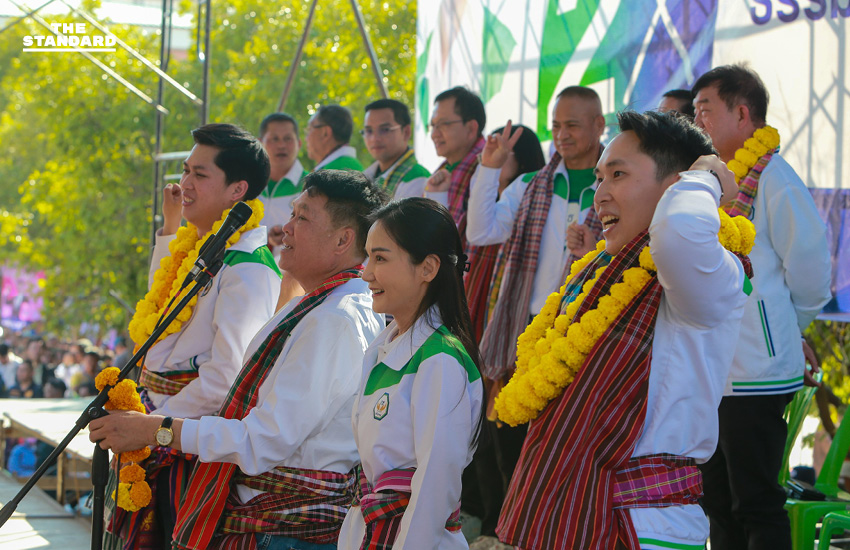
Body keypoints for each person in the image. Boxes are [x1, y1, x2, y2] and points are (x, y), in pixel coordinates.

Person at [496, 110, 754, 549]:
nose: (600, 195)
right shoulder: (605, 270)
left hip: (645, 525)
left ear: (676, 187)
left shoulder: (712, 270)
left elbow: (680, 230)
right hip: (571, 513)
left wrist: (706, 176)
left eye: (618, 174)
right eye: (599, 178)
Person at [91, 170, 386, 550]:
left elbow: (263, 440)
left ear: (343, 239)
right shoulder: (319, 304)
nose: (287, 227)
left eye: (303, 217)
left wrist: (155, 429)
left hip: (283, 531)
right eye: (292, 213)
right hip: (271, 523)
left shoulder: (334, 319)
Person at [104, 123, 282, 550]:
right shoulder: (203, 245)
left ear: (238, 190)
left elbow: (225, 381)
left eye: (199, 175)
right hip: (158, 422)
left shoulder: (248, 267)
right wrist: (170, 227)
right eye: (185, 171)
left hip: (183, 440)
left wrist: (150, 427)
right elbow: (163, 310)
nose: (184, 183)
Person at [692, 64, 832, 550]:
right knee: (716, 502)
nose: (698, 121)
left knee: (754, 502)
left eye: (705, 110)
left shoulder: (774, 177)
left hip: (758, 372)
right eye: (695, 112)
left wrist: (787, 330)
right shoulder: (710, 182)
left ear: (743, 113)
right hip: (712, 369)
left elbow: (812, 269)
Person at [338, 197, 484, 549]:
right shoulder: (386, 344)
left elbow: (436, 483)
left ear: (428, 268)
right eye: (368, 255)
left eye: (381, 258)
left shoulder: (440, 360)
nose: (366, 272)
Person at [423, 86, 497, 343]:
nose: (434, 134)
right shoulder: (445, 170)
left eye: (443, 124)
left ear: (471, 128)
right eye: (432, 125)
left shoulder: (491, 167)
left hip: (479, 289)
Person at [258, 112, 309, 308]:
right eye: (274, 139)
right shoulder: (249, 186)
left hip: (295, 292)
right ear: (260, 142)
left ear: (299, 143)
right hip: (253, 285)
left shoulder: (311, 187)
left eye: (288, 139)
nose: (281, 145)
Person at [361, 99, 430, 199]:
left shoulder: (417, 180)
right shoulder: (368, 175)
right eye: (369, 131)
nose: (375, 138)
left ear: (406, 132)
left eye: (385, 129)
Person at [305, 105, 364, 171]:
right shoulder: (347, 165)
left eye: (309, 129)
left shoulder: (336, 172)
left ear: (325, 133)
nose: (306, 138)